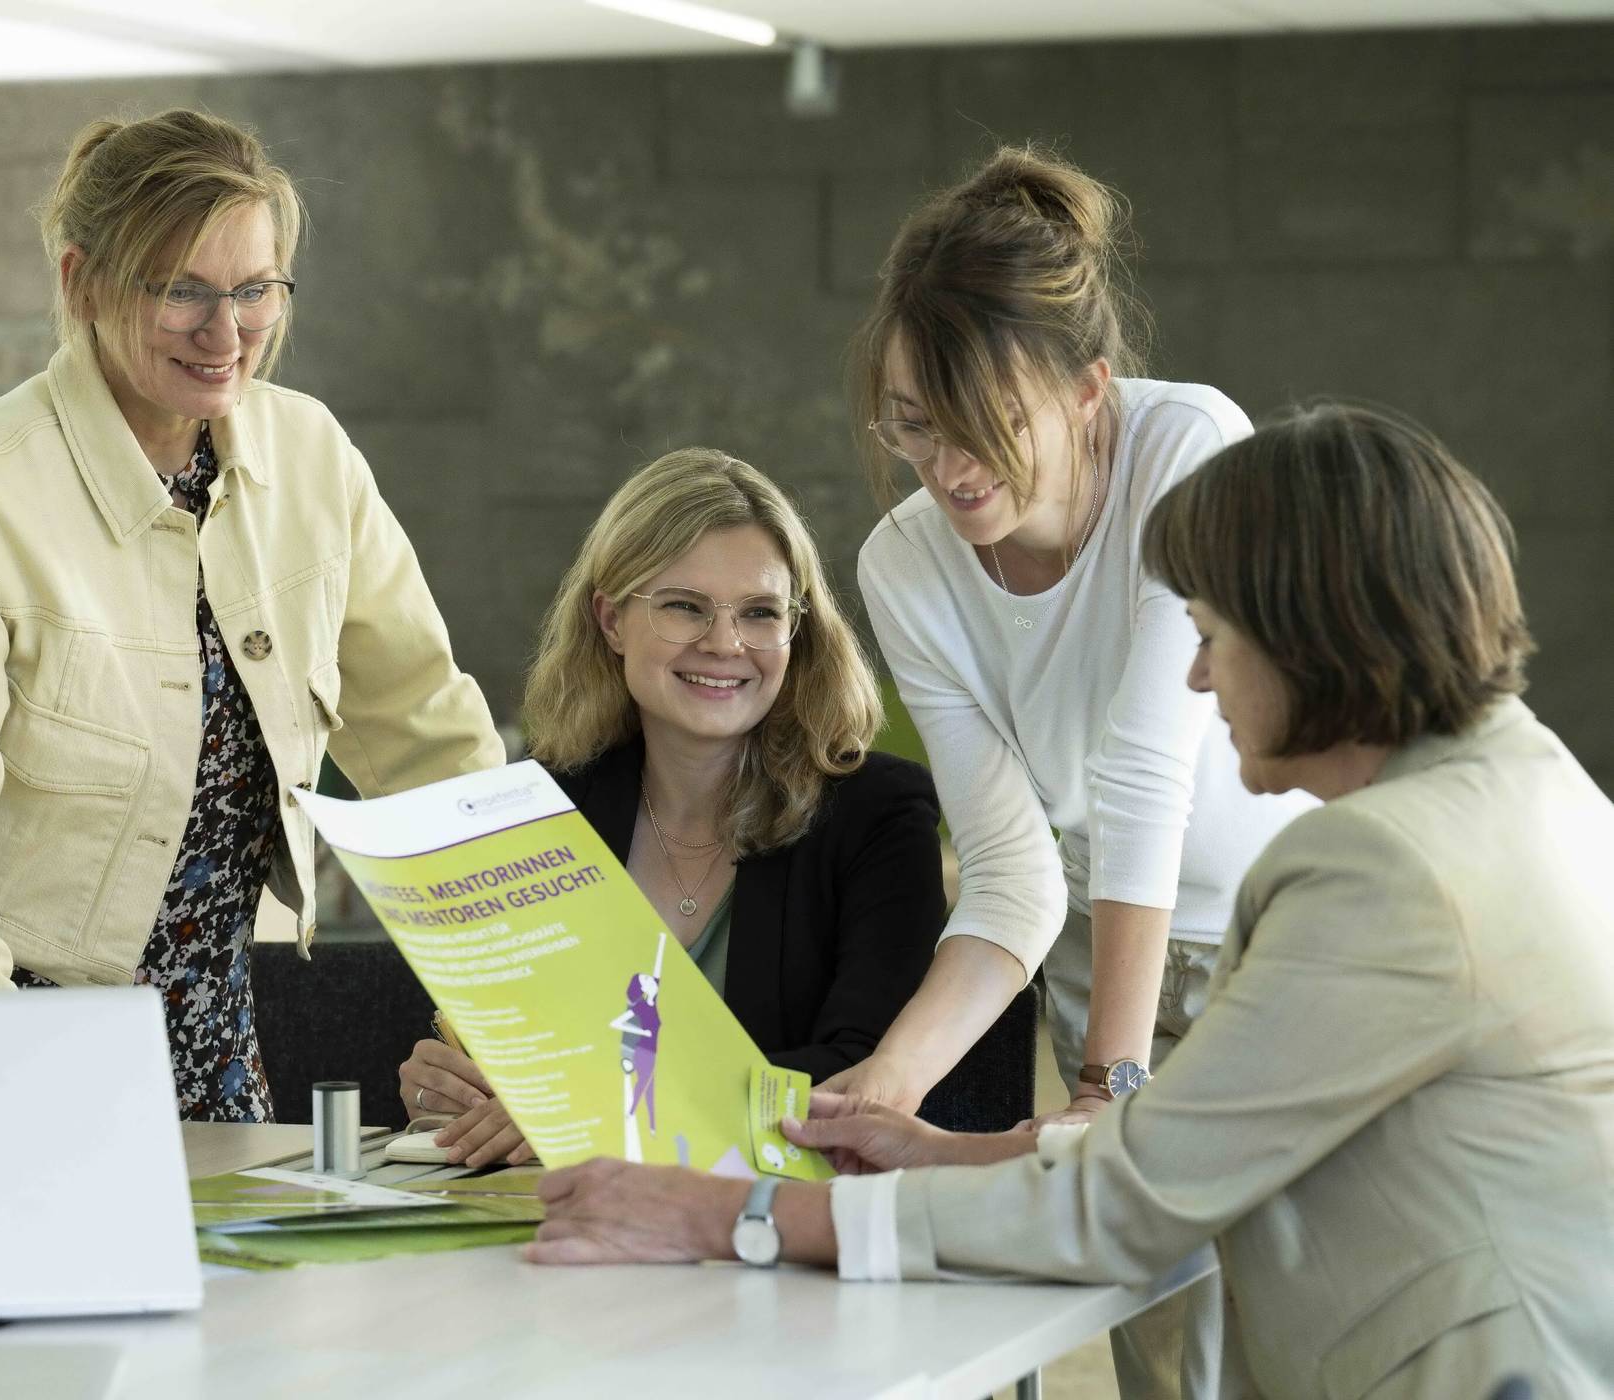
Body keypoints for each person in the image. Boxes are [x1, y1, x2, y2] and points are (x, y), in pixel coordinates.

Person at [526, 402, 1614, 1399]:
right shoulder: (1545, 790)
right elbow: (1176, 1152)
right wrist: (939, 1149)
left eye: (1210, 628)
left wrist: (732, 1214)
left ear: (1309, 626)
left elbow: (1127, 1201)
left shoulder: (1380, 868)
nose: (1196, 676)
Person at [0, 109, 503, 1122]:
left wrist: (516, 1003)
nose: (226, 333)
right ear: (81, 283)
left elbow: (433, 744)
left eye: (255, 290)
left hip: (198, 1012)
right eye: (183, 289)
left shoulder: (310, 459)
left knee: (231, 1281)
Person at [827, 146, 1315, 1397]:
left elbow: (1148, 766)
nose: (950, 467)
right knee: (1160, 1349)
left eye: (988, 423)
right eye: (915, 422)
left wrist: (1111, 1085)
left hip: (1282, 938)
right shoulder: (907, 566)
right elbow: (1011, 871)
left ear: (1090, 387)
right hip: (1108, 947)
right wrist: (887, 1085)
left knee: (1300, 1332)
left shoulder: (1188, 443)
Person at [397, 448, 949, 1166]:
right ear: (612, 619)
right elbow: (515, 1057)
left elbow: (859, 1072)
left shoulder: (879, 815)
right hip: (555, 1225)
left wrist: (597, 1108)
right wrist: (449, 1096)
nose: (725, 643)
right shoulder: (537, 810)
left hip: (784, 1230)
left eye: (760, 613)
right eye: (685, 607)